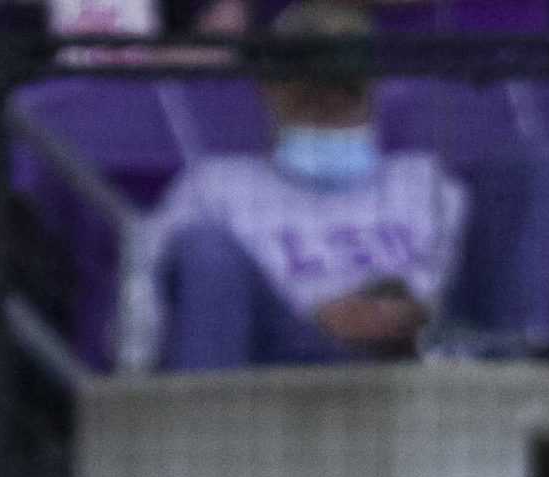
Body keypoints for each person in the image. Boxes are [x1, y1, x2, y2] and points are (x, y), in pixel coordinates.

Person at [125, 3, 485, 371]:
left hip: (408, 369)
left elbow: (468, 311)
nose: (326, 104)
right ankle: (202, 423)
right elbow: (138, 329)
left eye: (344, 93)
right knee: (205, 249)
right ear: (269, 89)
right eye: (309, 95)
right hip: (274, 368)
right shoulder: (215, 189)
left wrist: (408, 314)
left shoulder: (423, 184)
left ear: (375, 87)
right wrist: (315, 314)